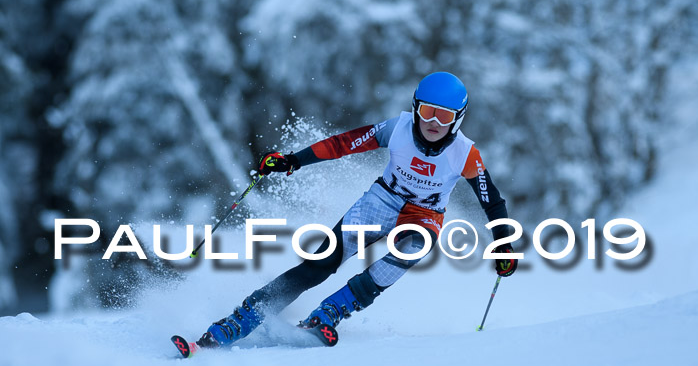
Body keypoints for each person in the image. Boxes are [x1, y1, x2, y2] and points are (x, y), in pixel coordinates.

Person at [196, 71, 518, 348]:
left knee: (409, 251)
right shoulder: (397, 129)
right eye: (428, 112)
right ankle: (246, 316)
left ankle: (330, 312)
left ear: (457, 119)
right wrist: (293, 161)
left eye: (444, 116)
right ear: (415, 108)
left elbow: (492, 201)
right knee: (320, 264)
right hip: (383, 199)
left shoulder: (465, 154)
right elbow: (342, 144)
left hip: (424, 216)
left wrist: (503, 244)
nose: (433, 123)